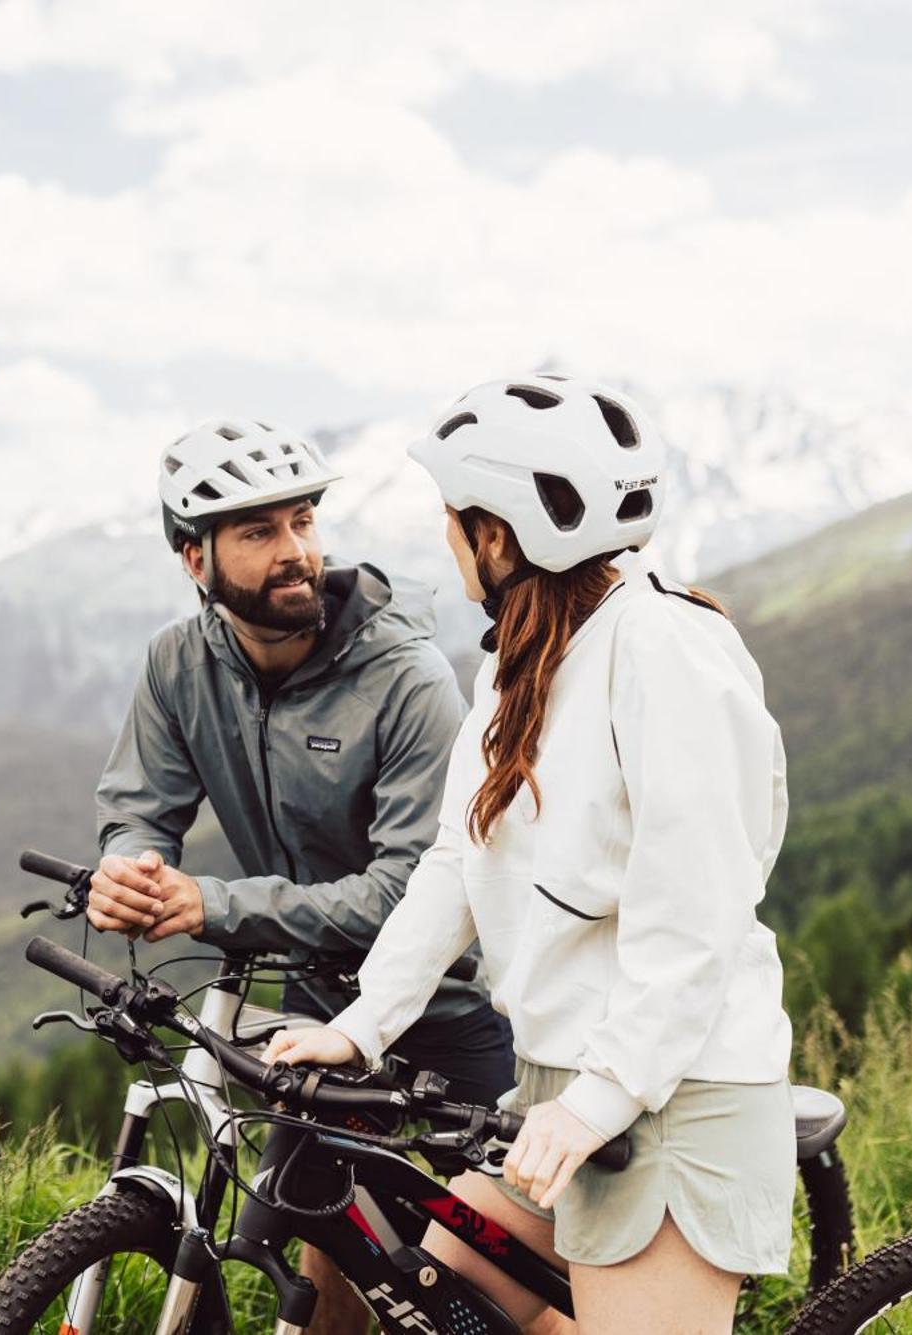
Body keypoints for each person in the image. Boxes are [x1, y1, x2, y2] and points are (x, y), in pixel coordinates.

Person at [262, 376, 795, 1335]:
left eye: (454, 520)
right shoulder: (520, 664)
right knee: (439, 1303)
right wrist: (364, 1023)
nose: (448, 539)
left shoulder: (664, 650)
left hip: (674, 1096)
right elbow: (455, 860)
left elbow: (697, 918)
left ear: (498, 536)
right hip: (560, 1091)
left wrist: (601, 1100)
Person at [94, 417, 518, 1335]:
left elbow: (408, 897)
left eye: (302, 521)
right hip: (322, 1015)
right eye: (259, 532)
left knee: (489, 1294)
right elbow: (139, 807)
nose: (296, 553)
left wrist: (213, 903)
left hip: (457, 1014)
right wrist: (127, 867)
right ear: (192, 558)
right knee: (331, 1246)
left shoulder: (406, 681)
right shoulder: (179, 665)